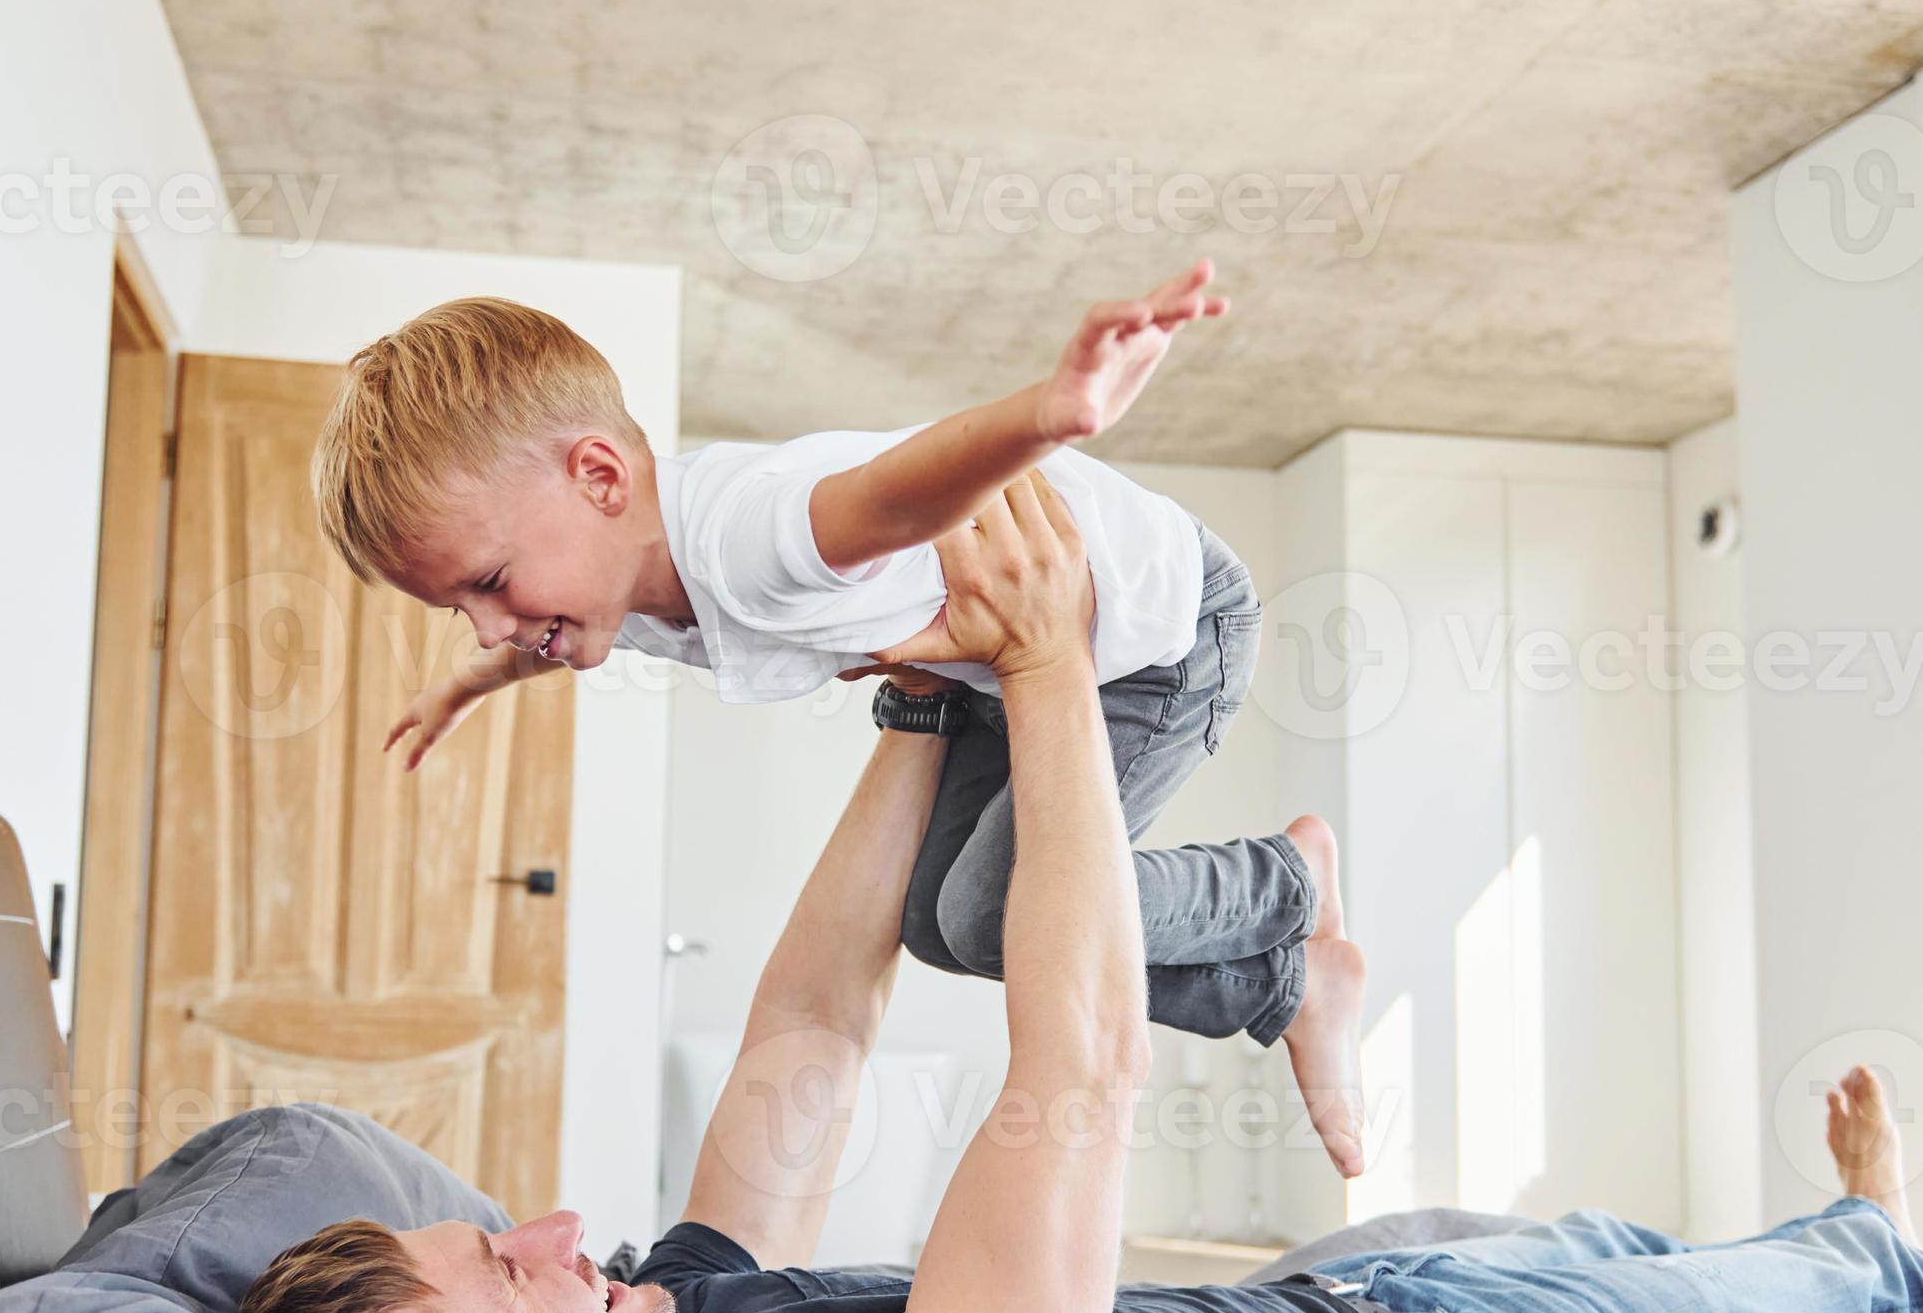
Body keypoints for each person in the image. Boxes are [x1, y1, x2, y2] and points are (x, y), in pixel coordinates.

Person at [233, 476, 1923, 1313]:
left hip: (1375, 1297)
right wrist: (1041, 676)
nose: (567, 1226)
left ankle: (1873, 1221)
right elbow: (1080, 1066)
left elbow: (808, 1037)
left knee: (1663, 1238)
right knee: (1830, 1286)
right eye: (517, 1269)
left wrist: (923, 705)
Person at [306, 261, 1367, 1174]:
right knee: (937, 925)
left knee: (1006, 914)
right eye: (461, 608)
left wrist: (1049, 411)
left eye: (490, 582)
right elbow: (550, 646)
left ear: (598, 475)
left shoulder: (747, 537)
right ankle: (1287, 979)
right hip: (1003, 670)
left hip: (1159, 636)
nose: (492, 626)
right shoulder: (614, 578)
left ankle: (1288, 883)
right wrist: (467, 684)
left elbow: (895, 493)